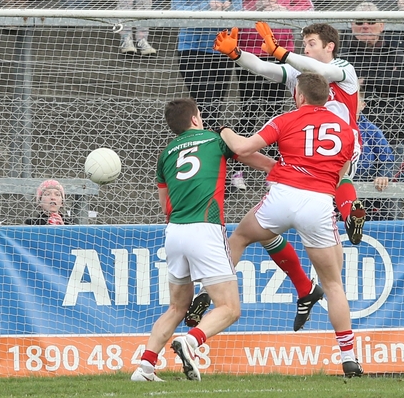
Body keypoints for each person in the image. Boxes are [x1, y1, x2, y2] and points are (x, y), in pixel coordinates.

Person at [216, 72, 364, 377]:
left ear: (299, 96)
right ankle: (349, 358)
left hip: (282, 198)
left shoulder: (286, 119)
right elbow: (342, 178)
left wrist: (225, 130)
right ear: (326, 98)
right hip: (319, 203)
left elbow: (243, 149)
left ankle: (213, 296)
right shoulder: (348, 132)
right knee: (335, 284)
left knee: (240, 237)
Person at [130, 98, 275, 382]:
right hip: (205, 228)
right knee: (230, 308)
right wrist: (275, 167)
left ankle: (145, 367)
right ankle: (192, 341)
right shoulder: (214, 140)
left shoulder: (166, 153)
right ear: (196, 119)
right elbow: (246, 154)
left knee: (176, 307)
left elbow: (165, 206)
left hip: (174, 233)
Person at [213, 21, 368, 245]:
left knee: (334, 176)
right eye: (304, 43)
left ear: (329, 46)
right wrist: (237, 54)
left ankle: (347, 214)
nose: (306, 48)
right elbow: (261, 67)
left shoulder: (344, 68)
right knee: (329, 182)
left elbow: (321, 71)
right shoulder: (296, 72)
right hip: (308, 145)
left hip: (341, 142)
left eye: (312, 43)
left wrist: (280, 52)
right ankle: (346, 212)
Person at [232, 0, 313, 189]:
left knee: (275, 113)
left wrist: (283, 10)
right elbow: (232, 8)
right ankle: (237, 168)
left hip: (281, 51)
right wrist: (254, 7)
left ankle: (276, 171)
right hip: (249, 52)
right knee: (250, 108)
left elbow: (307, 7)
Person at [171, 0, 242, 130]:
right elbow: (176, 9)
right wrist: (206, 7)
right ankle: (208, 145)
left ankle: (207, 144)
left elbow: (240, 10)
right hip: (192, 48)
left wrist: (229, 7)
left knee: (215, 106)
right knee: (206, 102)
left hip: (222, 49)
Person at [338, 2, 404, 144]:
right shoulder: (342, 55)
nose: (365, 26)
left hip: (391, 131)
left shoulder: (394, 52)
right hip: (352, 135)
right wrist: (386, 79)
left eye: (371, 21)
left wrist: (366, 81)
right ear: (352, 25)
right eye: (359, 22)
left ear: (381, 25)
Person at [353, 95, 396, 221]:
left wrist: (383, 175)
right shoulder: (336, 126)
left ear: (363, 105)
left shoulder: (371, 129)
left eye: (355, 102)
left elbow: (387, 158)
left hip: (368, 180)